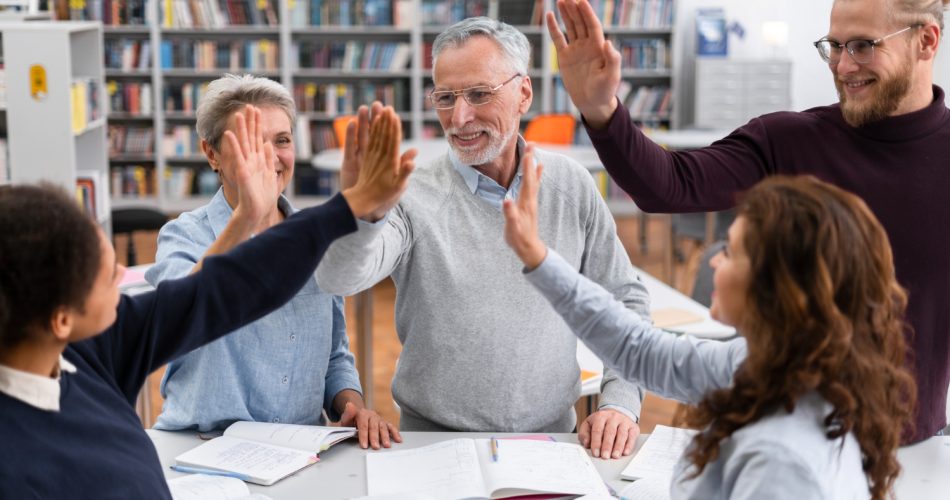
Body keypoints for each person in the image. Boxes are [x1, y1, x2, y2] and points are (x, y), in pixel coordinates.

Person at [549, 0, 950, 442]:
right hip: (785, 446)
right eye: (834, 46)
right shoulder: (790, 141)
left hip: (917, 453)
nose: (842, 66)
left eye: (862, 46)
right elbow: (668, 184)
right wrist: (602, 110)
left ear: (926, 41)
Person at [0, 105, 412, 497]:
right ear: (60, 319)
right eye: (108, 276)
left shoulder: (85, 350)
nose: (124, 278)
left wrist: (346, 208)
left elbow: (213, 293)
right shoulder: (19, 458)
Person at [315, 17, 649, 460]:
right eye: (446, 98)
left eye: (478, 94)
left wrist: (621, 402)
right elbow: (340, 278)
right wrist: (360, 212)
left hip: (553, 443)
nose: (459, 118)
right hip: (431, 445)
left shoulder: (571, 185)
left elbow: (625, 298)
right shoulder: (410, 192)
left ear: (523, 93)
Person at [503, 154, 915, 499]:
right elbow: (641, 352)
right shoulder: (770, 365)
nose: (713, 260)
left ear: (777, 286)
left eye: (731, 252)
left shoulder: (779, 460)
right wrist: (540, 260)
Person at [145, 74, 397, 449]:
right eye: (251, 143)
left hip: (299, 450)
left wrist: (353, 408)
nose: (271, 157)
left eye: (282, 140)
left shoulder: (316, 237)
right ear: (212, 154)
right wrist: (247, 216)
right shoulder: (183, 236)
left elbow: (334, 357)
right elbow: (181, 316)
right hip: (203, 448)